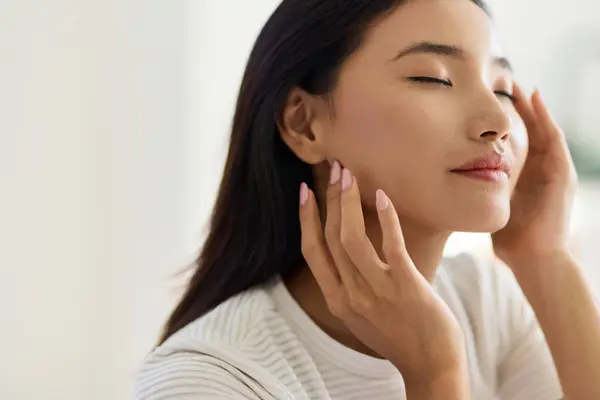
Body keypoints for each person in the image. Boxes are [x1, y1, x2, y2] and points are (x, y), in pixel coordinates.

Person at [133, 0, 600, 399]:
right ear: (304, 124)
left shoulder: (485, 304)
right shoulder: (212, 379)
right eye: (433, 78)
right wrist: (435, 376)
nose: (497, 118)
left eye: (501, 87)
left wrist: (544, 259)